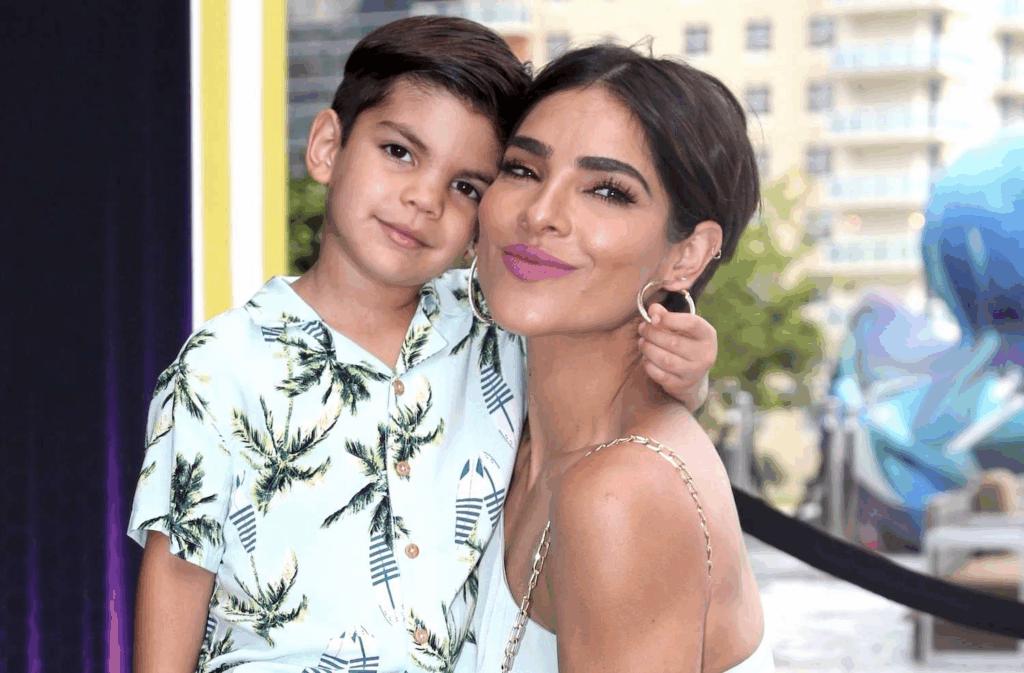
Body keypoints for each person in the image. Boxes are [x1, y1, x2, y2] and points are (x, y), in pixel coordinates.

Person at [128, 18, 720, 673]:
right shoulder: (219, 366)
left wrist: (686, 373)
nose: (424, 198)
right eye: (399, 152)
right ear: (326, 147)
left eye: (466, 186)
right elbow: (178, 573)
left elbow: (598, 387)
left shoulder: (497, 326)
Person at [463, 44, 774, 672]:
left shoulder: (622, 494)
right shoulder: (500, 433)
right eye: (522, 169)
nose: (540, 214)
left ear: (686, 255)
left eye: (607, 191)